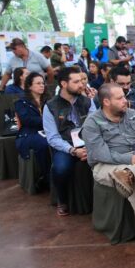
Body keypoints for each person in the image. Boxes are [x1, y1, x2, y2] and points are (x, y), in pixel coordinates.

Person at [82, 83, 135, 257]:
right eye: (119, 98)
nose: (125, 101)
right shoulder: (92, 123)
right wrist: (129, 159)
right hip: (105, 166)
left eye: (124, 96)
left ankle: (131, 174)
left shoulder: (133, 114)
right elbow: (100, 154)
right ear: (106, 102)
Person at [43, 67, 96, 216]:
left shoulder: (87, 102)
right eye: (76, 82)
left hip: (88, 143)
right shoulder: (51, 106)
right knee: (61, 168)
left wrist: (89, 147)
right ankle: (62, 199)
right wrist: (72, 150)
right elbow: (52, 137)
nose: (81, 85)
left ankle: (97, 200)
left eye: (82, 81)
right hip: (66, 145)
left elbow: (95, 127)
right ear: (64, 84)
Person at [14, 72, 51, 183]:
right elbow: (27, 120)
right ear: (29, 86)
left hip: (48, 130)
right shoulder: (21, 102)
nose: (42, 85)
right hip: (29, 133)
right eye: (38, 83)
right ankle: (47, 177)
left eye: (43, 83)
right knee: (44, 144)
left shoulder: (49, 100)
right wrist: (48, 121)